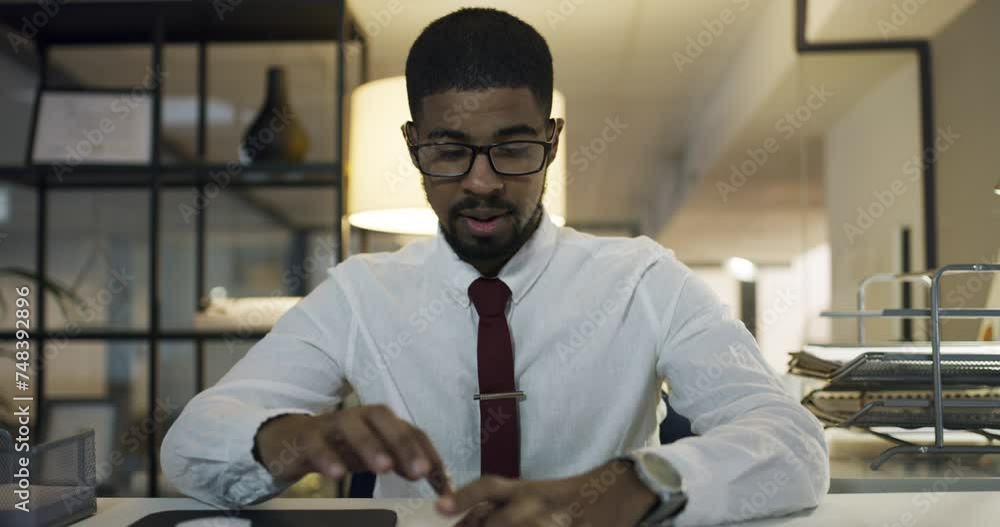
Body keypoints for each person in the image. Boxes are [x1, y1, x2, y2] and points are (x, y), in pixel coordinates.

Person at [161, 7, 829, 526]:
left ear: (553, 140)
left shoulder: (643, 280)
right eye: (449, 150)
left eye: (512, 149)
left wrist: (624, 489)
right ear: (414, 143)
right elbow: (188, 447)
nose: (481, 183)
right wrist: (301, 434)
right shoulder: (360, 293)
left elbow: (793, 443)